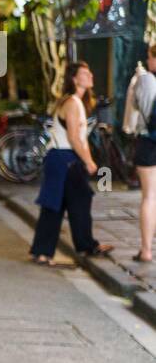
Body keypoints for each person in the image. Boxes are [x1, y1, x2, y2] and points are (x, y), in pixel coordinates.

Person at [30, 62, 114, 265]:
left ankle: (43, 252)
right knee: (79, 200)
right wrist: (89, 161)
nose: (90, 75)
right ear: (75, 79)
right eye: (85, 73)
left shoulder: (71, 101)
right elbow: (75, 137)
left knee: (56, 204)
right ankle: (85, 245)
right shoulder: (73, 103)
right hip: (65, 158)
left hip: (59, 159)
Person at [123, 47, 156, 263]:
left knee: (149, 196)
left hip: (148, 142)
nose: (147, 60)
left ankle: (146, 250)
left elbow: (135, 112)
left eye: (150, 57)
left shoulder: (145, 80)